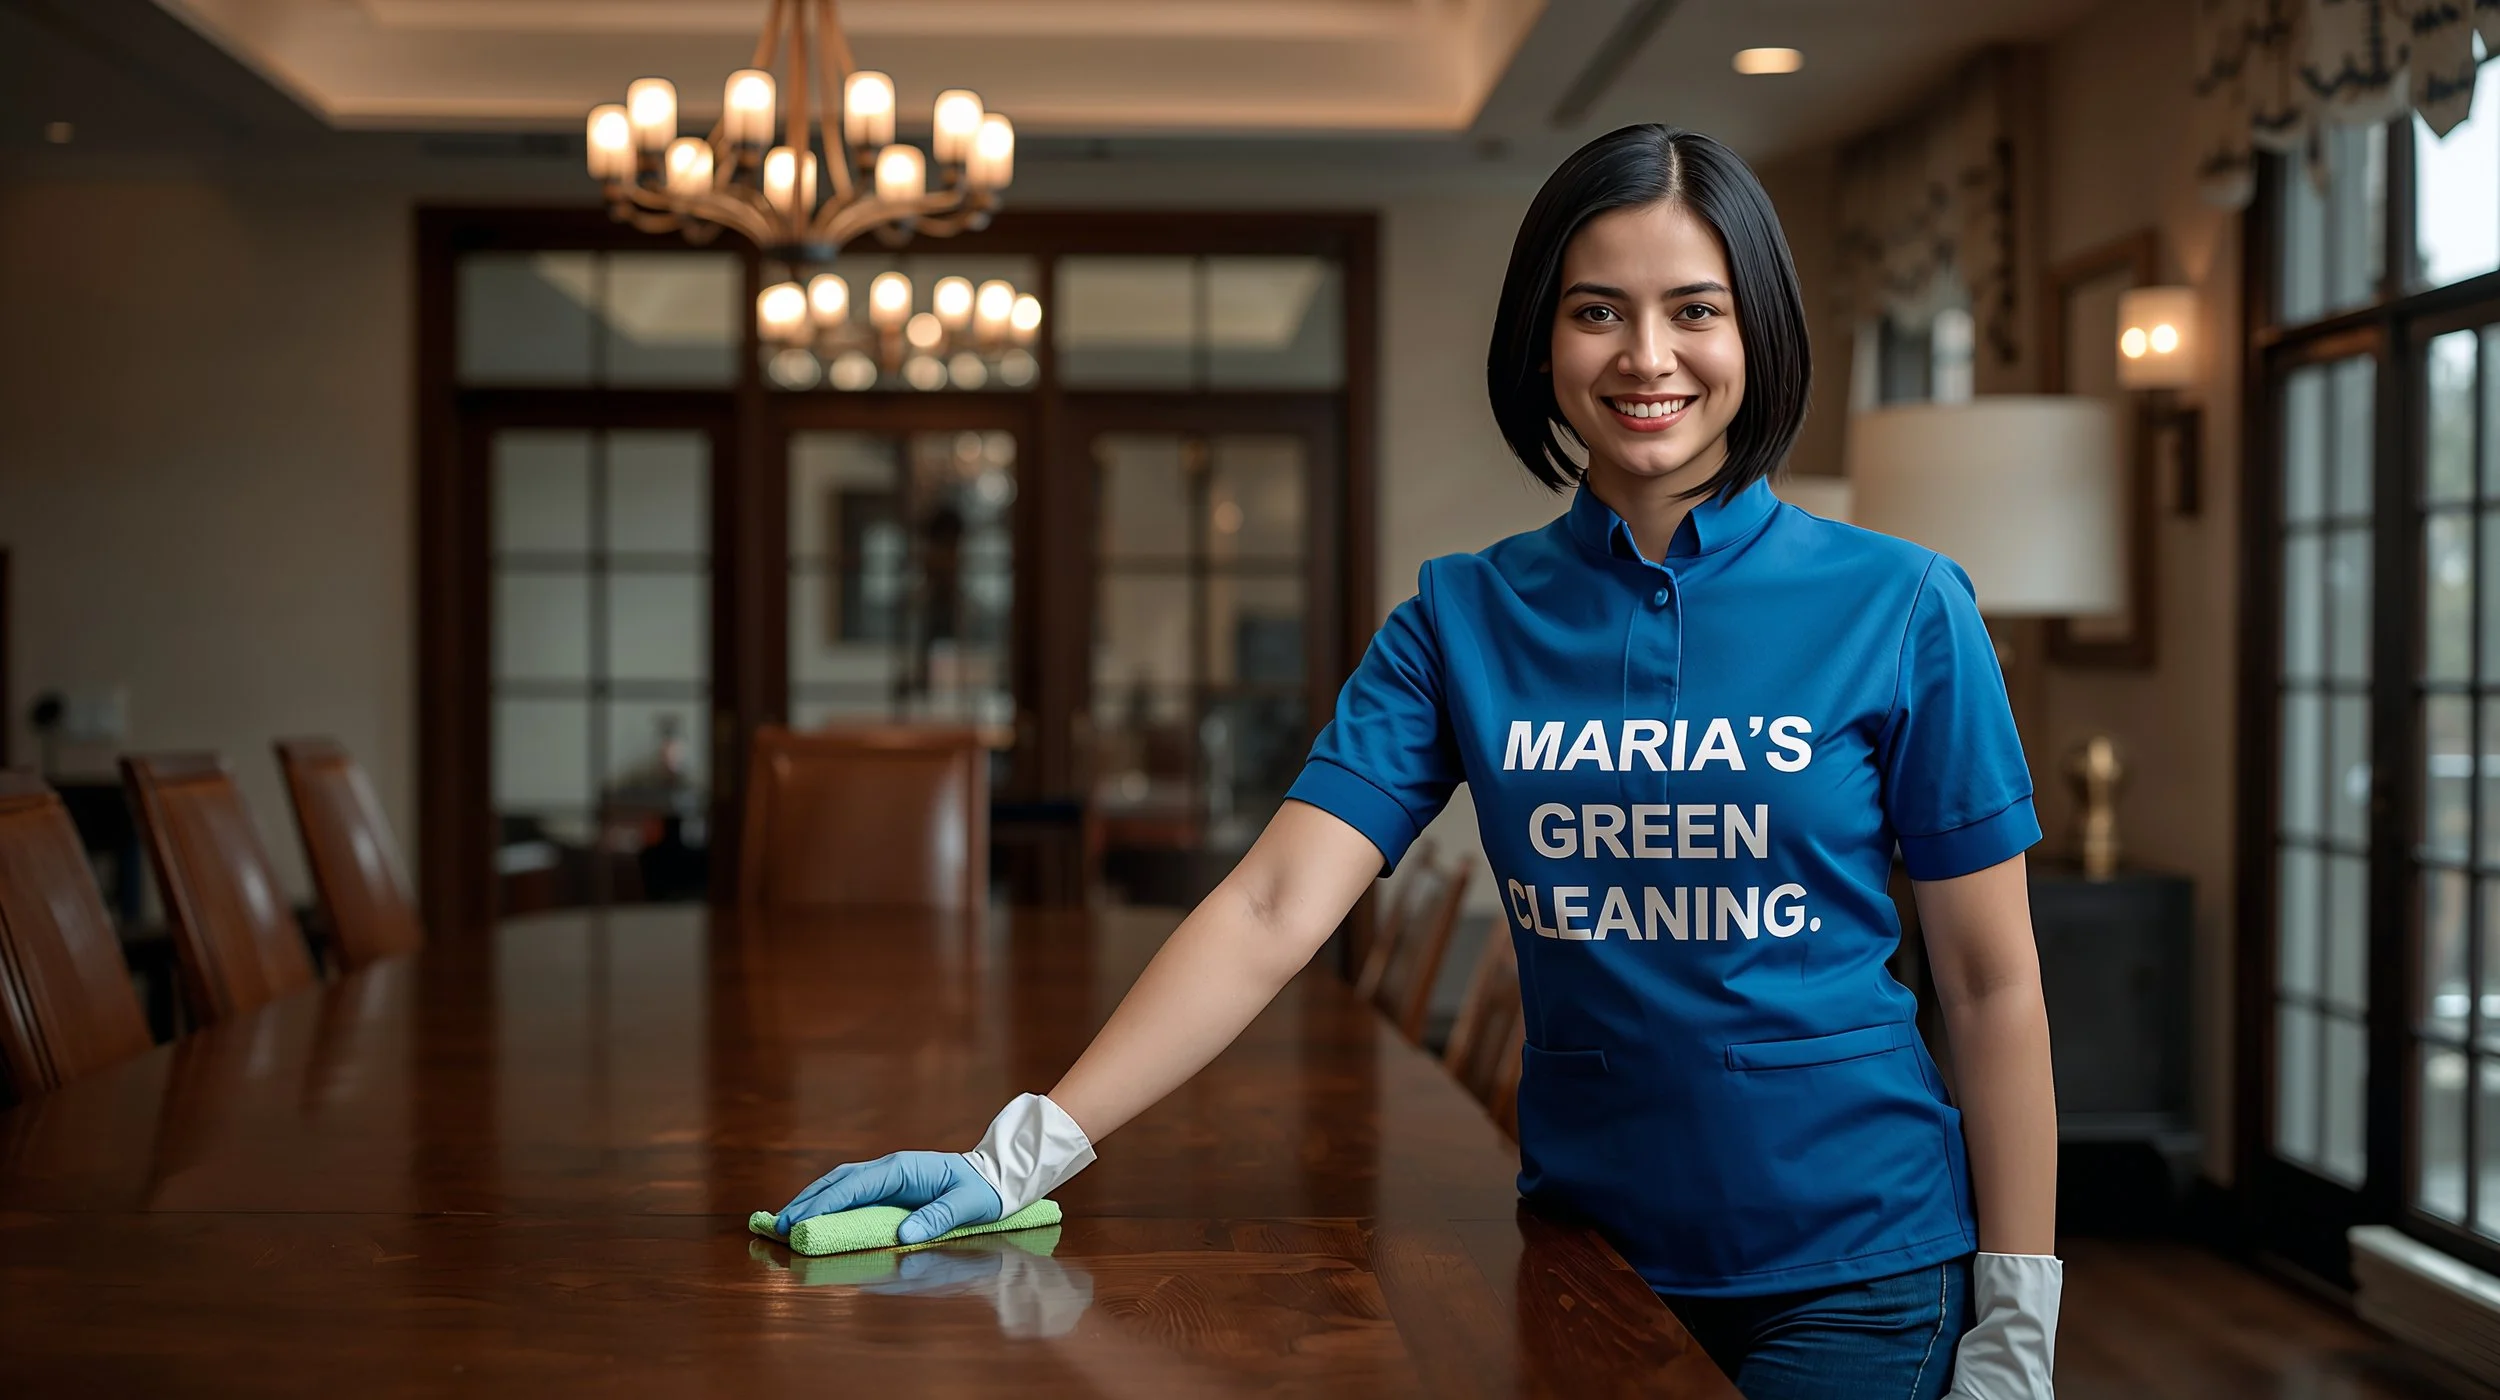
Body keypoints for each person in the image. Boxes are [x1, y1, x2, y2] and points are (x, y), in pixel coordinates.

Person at [774, 124, 2060, 1400]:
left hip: (1856, 1263)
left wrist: (2016, 1324)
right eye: (1597, 310)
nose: (1647, 356)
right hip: (1585, 1256)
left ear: (1759, 334)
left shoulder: (1899, 605)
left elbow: (1990, 980)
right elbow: (1272, 907)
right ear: (1542, 341)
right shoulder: (1461, 618)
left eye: (1696, 310)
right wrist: (1018, 1157)